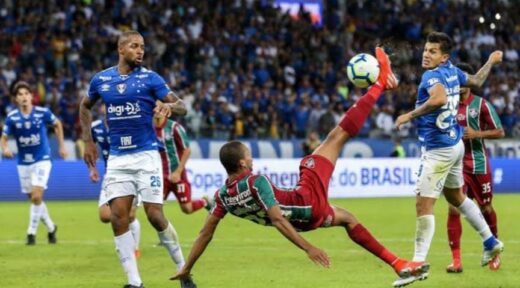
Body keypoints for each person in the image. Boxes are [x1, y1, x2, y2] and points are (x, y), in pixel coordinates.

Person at [171, 48, 423, 286]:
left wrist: (186, 267)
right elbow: (278, 219)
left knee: (347, 218)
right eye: (249, 157)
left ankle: (398, 263)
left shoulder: (223, 197)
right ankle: (381, 83)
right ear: (242, 163)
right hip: (306, 201)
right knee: (336, 137)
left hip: (305, 219)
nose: (252, 160)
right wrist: (308, 248)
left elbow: (205, 233)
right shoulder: (255, 182)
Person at [79, 30, 196, 288]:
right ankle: (134, 282)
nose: (140, 51)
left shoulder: (151, 79)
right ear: (121, 49)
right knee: (118, 217)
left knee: (155, 215)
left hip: (146, 156)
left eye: (142, 46)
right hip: (119, 160)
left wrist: (169, 106)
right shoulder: (102, 80)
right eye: (134, 46)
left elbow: (183, 106)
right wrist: (88, 140)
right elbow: (85, 105)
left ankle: (183, 270)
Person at [394, 32, 504, 286]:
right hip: (455, 145)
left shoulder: (431, 76)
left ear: (444, 56)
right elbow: (476, 79)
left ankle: (418, 263)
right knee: (456, 198)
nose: (426, 54)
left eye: (433, 51)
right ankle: (490, 241)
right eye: (425, 49)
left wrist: (409, 116)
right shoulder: (454, 71)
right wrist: (490, 60)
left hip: (438, 151)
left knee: (424, 206)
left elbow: (440, 98)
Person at [445, 63, 505, 273]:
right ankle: (456, 261)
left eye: (462, 81)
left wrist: (477, 134)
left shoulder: (481, 105)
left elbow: (500, 131)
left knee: (485, 208)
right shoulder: (447, 105)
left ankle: (494, 251)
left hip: (478, 164)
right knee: (454, 208)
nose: (459, 85)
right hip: (456, 164)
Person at [1, 81, 66, 245]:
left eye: (26, 94)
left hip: (42, 159)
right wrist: (6, 148)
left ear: (31, 96)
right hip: (23, 163)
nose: (24, 97)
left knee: (37, 196)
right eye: (20, 94)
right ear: (16, 99)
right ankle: (51, 228)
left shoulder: (42, 112)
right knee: (35, 199)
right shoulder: (12, 117)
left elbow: (57, 123)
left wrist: (62, 146)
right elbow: (4, 137)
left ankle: (31, 233)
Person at [89, 104, 141, 257]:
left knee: (130, 215)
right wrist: (92, 169)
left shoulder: (128, 124)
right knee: (105, 216)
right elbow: (90, 149)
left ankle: (133, 248)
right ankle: (125, 241)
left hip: (131, 175)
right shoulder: (95, 127)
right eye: (104, 104)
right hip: (110, 176)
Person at [154, 115, 210, 214]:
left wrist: (178, 172)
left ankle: (205, 201)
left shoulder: (174, 127)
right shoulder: (148, 128)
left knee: (187, 209)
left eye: (160, 108)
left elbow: (187, 150)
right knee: (154, 208)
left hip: (177, 175)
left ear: (166, 110)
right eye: (153, 107)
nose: (156, 111)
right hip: (160, 176)